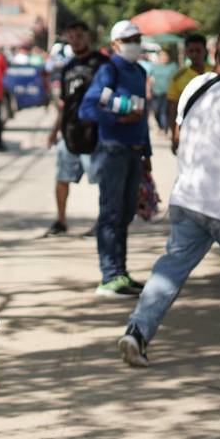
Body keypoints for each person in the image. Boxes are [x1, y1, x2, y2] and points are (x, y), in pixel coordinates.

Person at [120, 28, 220, 367]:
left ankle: (137, 331)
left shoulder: (196, 85)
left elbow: (178, 135)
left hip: (188, 197)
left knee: (169, 271)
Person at [79, 20, 150, 298]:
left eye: (137, 38)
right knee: (110, 214)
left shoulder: (140, 71)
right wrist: (118, 117)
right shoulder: (109, 70)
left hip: (134, 151)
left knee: (125, 215)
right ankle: (109, 276)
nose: (135, 43)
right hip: (112, 150)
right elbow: (87, 108)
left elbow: (142, 116)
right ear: (116, 43)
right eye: (130, 38)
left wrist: (147, 153)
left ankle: (120, 272)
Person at [45, 21, 108, 237]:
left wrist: (103, 114)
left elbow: (109, 92)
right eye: (71, 36)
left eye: (79, 36)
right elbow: (64, 103)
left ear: (87, 36)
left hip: (95, 132)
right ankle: (60, 220)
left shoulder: (101, 62)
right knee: (62, 177)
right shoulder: (68, 67)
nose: (75, 40)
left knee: (101, 180)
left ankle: (103, 221)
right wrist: (54, 130)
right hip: (70, 131)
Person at [165, 33, 212, 126]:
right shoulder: (178, 77)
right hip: (189, 126)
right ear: (186, 52)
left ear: (205, 51)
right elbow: (172, 106)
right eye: (191, 51)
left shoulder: (215, 72)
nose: (195, 54)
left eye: (198, 51)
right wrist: (173, 131)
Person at [145, 49, 178, 135]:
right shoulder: (154, 67)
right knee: (156, 111)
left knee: (164, 112)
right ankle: (161, 127)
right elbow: (149, 79)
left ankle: (164, 129)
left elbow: (176, 80)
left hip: (168, 93)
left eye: (166, 55)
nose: (164, 57)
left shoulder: (173, 66)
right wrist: (148, 90)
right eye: (162, 55)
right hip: (156, 93)